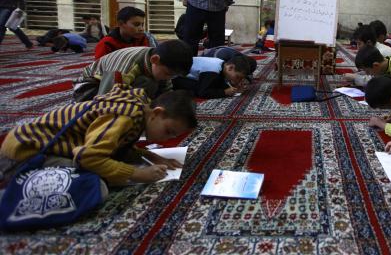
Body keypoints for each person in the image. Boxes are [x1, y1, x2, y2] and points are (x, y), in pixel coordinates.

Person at [0, 85, 197, 198]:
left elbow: (119, 145)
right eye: (168, 131)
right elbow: (88, 157)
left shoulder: (138, 111)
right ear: (157, 113)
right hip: (25, 154)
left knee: (113, 163)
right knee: (97, 187)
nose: (166, 139)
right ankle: (14, 195)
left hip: (33, 147)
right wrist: (137, 174)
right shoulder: (124, 116)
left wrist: (151, 156)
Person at [73, 39, 193, 102]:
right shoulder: (127, 66)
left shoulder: (159, 62)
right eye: (168, 74)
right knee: (148, 83)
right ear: (155, 60)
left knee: (152, 86)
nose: (168, 78)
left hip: (111, 86)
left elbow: (166, 91)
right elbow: (106, 98)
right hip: (88, 88)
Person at [172, 55, 250, 99]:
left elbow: (218, 82)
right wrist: (224, 92)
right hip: (175, 77)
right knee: (199, 89)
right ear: (230, 68)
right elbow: (203, 93)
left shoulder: (222, 65)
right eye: (238, 77)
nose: (238, 81)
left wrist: (233, 87)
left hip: (185, 75)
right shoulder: (213, 70)